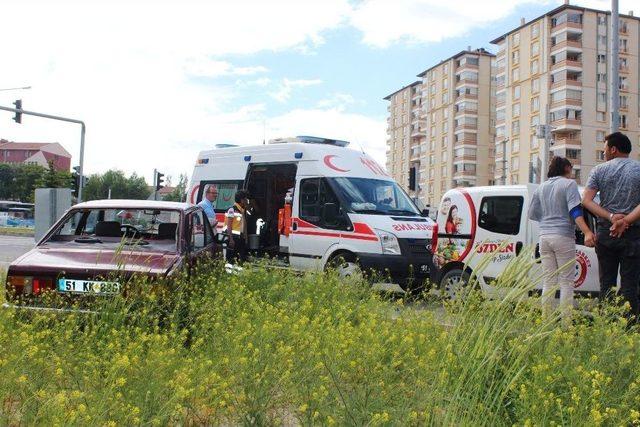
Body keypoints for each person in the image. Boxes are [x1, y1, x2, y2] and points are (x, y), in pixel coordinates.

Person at [529, 156, 596, 321]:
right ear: (566, 168)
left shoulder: (541, 187)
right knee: (567, 282)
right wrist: (587, 231)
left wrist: (548, 218)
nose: (571, 171)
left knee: (549, 282)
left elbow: (532, 213)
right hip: (563, 236)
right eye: (571, 168)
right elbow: (575, 210)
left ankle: (546, 321)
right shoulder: (569, 184)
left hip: (544, 237)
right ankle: (566, 323)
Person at [583, 132, 640, 319]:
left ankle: (606, 325)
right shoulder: (638, 169)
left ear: (613, 149)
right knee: (630, 285)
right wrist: (626, 220)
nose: (604, 152)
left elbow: (587, 201)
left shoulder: (598, 171)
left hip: (606, 233)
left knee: (606, 284)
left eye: (605, 148)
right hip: (633, 234)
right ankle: (631, 329)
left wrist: (612, 216)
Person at [225, 190, 251, 263]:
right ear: (242, 200)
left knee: (240, 259)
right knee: (231, 260)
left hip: (240, 238)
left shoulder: (242, 210)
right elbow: (229, 226)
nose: (247, 201)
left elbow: (244, 225)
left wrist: (245, 238)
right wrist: (230, 239)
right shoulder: (232, 210)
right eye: (246, 199)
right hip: (234, 239)